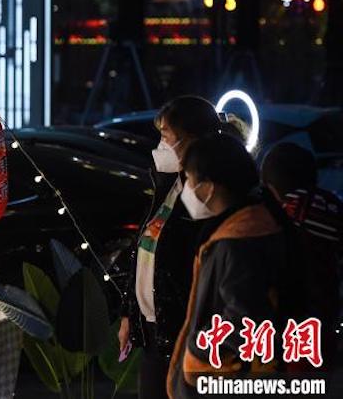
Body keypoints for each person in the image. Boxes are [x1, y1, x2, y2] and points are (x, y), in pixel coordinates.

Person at [118, 96, 224, 399]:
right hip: (155, 331)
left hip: (187, 334)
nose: (160, 144)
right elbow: (143, 252)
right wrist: (130, 314)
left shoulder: (209, 194)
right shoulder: (170, 186)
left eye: (166, 136)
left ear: (193, 139)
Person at [167, 134, 287, 399]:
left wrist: (198, 354)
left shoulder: (238, 241)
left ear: (210, 186)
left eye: (189, 179)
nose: (186, 188)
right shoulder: (249, 225)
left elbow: (245, 322)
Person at [261, 142, 342, 367]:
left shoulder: (279, 217)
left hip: (294, 320)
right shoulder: (330, 206)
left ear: (271, 188)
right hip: (326, 314)